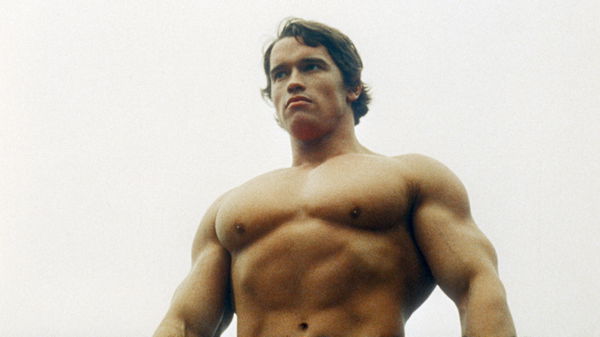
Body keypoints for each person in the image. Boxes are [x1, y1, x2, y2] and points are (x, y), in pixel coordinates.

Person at [153, 18, 516, 337]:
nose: (294, 82)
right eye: (281, 74)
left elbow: (477, 286)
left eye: (311, 67)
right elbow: (185, 324)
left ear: (353, 87)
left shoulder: (411, 177)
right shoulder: (230, 207)